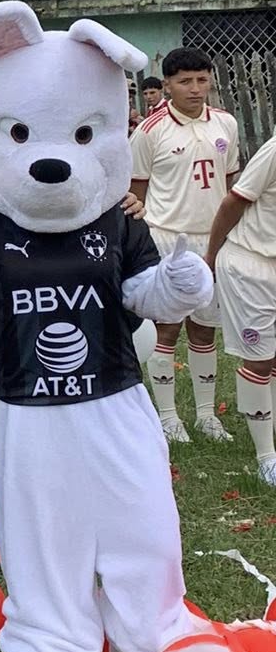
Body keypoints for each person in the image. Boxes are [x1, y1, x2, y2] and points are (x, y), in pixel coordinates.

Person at [130, 46, 240, 443]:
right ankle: (168, 417)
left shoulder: (225, 123)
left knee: (205, 328)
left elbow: (230, 183)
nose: (195, 88)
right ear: (168, 84)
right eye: (185, 81)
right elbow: (136, 193)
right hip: (167, 241)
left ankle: (206, 415)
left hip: (212, 241)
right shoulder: (150, 130)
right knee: (167, 328)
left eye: (202, 80)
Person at [206, 131, 276, 486]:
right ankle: (266, 459)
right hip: (250, 262)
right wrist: (211, 255)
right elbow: (233, 202)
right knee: (260, 359)